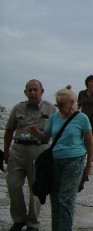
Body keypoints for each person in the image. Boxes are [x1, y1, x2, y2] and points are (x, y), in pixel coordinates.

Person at [27, 85, 93, 231]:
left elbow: (90, 144)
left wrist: (88, 166)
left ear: (72, 103)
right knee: (55, 198)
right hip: (55, 161)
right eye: (57, 104)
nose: (59, 107)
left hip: (74, 161)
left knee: (66, 199)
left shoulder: (82, 118)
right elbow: (47, 137)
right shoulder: (55, 117)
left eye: (61, 104)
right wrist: (36, 133)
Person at [4, 79, 57, 231]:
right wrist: (6, 151)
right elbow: (9, 131)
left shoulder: (50, 108)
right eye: (30, 90)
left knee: (36, 188)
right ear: (25, 92)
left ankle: (32, 222)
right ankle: (19, 219)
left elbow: (56, 131)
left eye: (36, 90)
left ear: (42, 91)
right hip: (18, 150)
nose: (33, 93)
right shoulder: (18, 108)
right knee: (13, 185)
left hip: (39, 151)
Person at [78, 75, 93, 152]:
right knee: (82, 139)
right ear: (87, 83)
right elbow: (77, 105)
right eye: (90, 82)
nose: (91, 83)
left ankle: (91, 159)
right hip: (83, 119)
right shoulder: (81, 93)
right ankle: (82, 156)